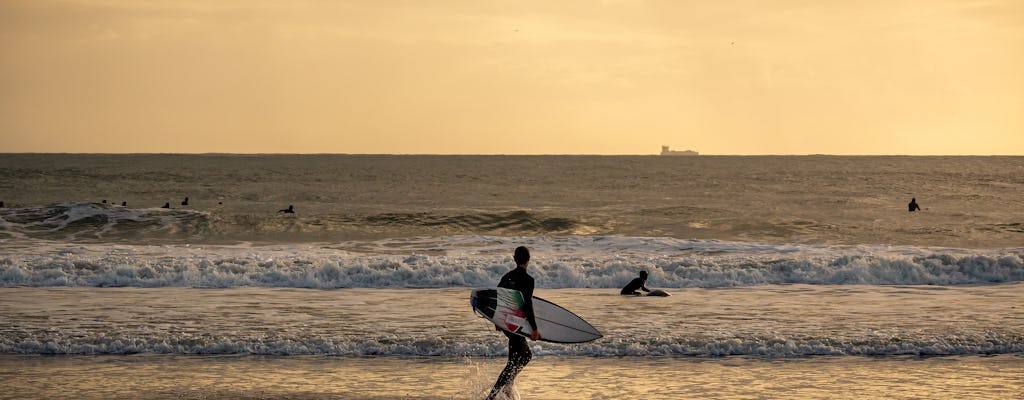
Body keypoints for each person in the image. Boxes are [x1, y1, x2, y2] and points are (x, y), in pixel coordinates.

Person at [486, 246, 540, 400]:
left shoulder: (507, 277)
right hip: (516, 324)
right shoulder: (528, 280)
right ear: (528, 260)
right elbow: (526, 305)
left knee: (521, 357)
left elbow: (497, 298)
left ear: (514, 259)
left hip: (506, 323)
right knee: (518, 359)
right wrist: (534, 329)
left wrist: (497, 321)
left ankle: (508, 387)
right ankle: (493, 395)